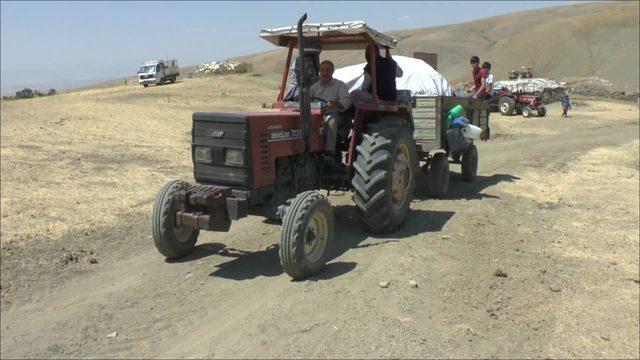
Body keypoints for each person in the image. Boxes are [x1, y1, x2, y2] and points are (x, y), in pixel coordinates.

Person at [310, 60, 351, 155]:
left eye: (328, 70)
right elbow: (308, 101)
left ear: (333, 71)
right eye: (323, 70)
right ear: (319, 72)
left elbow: (347, 101)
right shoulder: (314, 87)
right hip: (317, 115)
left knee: (331, 121)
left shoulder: (339, 85)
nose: (325, 73)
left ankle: (329, 152)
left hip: (335, 114)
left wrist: (336, 103)